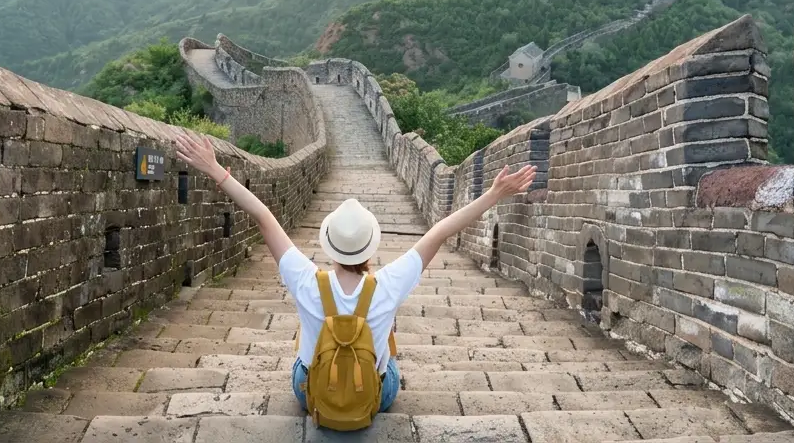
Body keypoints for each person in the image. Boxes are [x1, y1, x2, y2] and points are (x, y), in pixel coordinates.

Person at [174, 130, 536, 422]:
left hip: (312, 393)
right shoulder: (389, 284)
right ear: (370, 248)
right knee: (389, 353)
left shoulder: (306, 280)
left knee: (304, 344)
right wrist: (493, 194)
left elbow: (264, 217)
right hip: (372, 396)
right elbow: (440, 231)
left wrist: (216, 170)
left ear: (328, 245)